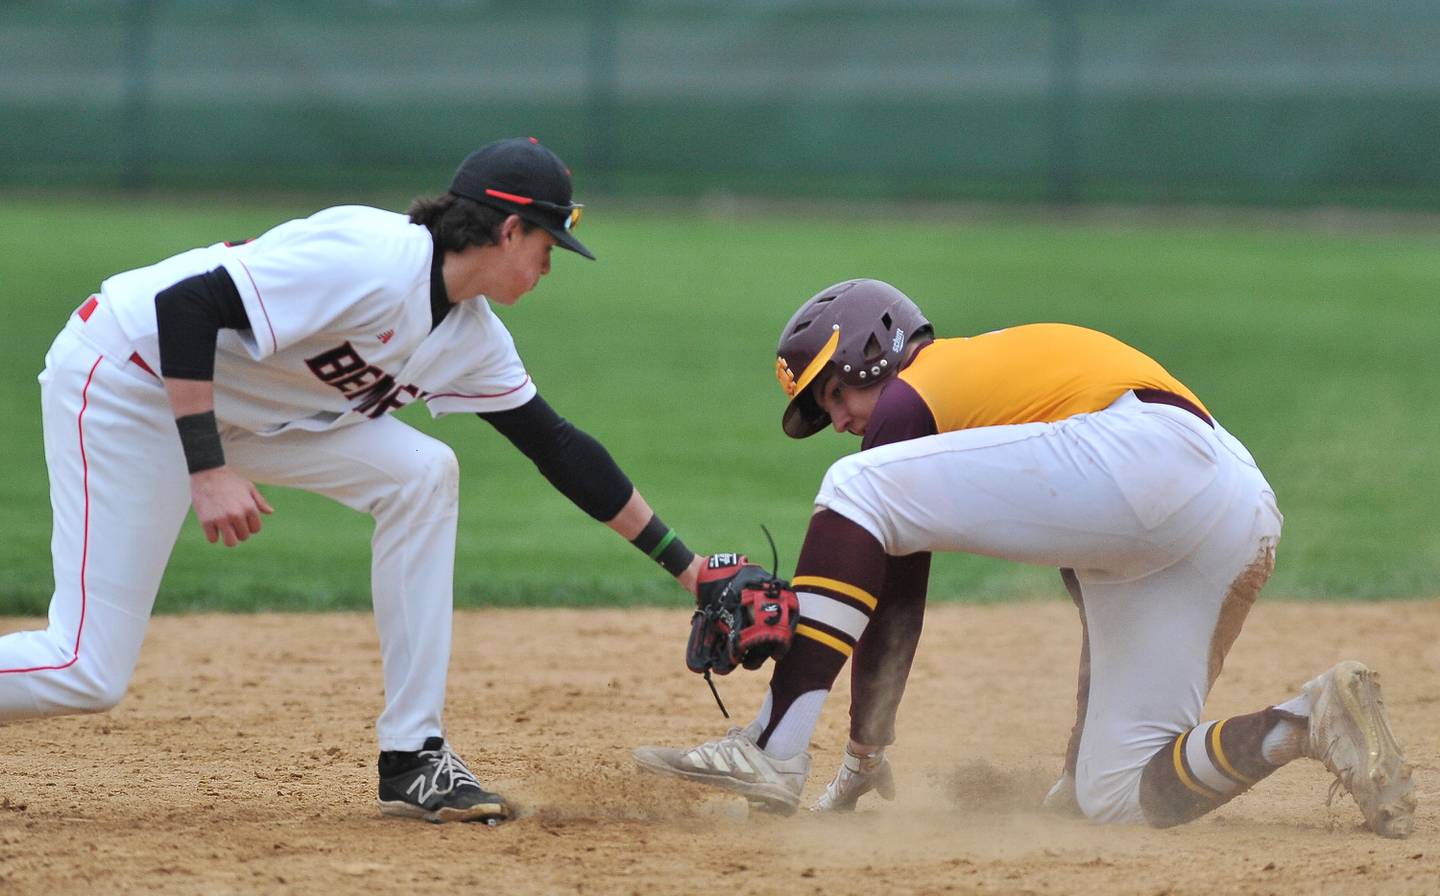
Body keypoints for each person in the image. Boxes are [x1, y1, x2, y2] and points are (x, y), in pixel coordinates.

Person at [1, 137, 707, 825]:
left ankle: (414, 755)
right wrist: (208, 467)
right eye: (548, 247)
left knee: (422, 474)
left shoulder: (471, 337)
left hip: (245, 412)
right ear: (510, 229)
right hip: (131, 380)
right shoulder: (370, 259)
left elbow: (557, 446)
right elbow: (187, 304)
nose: (550, 266)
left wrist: (689, 567)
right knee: (86, 669)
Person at [634, 278, 1416, 838]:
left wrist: (862, 742)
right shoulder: (984, 418)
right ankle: (1306, 723)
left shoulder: (920, 390)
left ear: (875, 351)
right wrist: (874, 748)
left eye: (835, 394)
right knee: (1106, 795)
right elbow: (912, 597)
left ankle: (773, 746)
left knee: (849, 487)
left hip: (1151, 453)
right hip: (1224, 512)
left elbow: (894, 584)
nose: (838, 418)